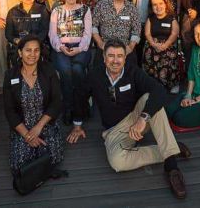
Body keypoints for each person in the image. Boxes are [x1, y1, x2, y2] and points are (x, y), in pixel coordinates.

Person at [67, 39, 190, 199]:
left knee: (151, 98)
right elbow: (80, 95)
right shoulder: (95, 75)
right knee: (118, 162)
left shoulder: (133, 71)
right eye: (111, 56)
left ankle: (172, 166)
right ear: (104, 58)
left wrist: (142, 119)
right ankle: (171, 149)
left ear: (125, 58)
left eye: (120, 56)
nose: (115, 60)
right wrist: (77, 125)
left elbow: (159, 91)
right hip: (114, 130)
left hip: (136, 119)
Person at [3, 35, 65, 179]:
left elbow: (56, 102)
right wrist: (27, 135)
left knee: (54, 157)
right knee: (18, 165)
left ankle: (38, 165)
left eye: (36, 50)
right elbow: (9, 111)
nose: (32, 54)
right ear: (20, 52)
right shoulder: (10, 75)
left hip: (46, 125)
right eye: (28, 50)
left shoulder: (49, 71)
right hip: (22, 128)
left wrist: (38, 128)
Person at [49, 0, 92, 125]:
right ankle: (68, 109)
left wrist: (79, 48)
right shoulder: (57, 10)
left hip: (81, 47)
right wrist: (61, 47)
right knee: (66, 72)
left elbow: (88, 33)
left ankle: (80, 107)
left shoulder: (85, 10)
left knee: (78, 69)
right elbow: (52, 34)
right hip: (61, 48)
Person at [92, 0, 140, 67]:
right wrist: (100, 43)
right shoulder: (101, 5)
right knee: (98, 72)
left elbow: (136, 31)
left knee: (131, 71)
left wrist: (130, 47)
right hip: (105, 46)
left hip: (125, 47)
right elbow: (93, 26)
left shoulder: (132, 8)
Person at [143, 0, 181, 93]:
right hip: (152, 46)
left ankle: (172, 85)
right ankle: (153, 87)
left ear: (165, 4)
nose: (158, 7)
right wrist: (154, 44)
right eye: (155, 4)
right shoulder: (150, 19)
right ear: (151, 6)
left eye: (160, 3)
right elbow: (147, 34)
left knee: (168, 61)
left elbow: (174, 34)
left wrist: (165, 45)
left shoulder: (172, 19)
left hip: (168, 46)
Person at [6, 0, 50, 64]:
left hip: (38, 46)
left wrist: (33, 44)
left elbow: (44, 31)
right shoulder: (12, 12)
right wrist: (18, 41)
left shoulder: (42, 10)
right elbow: (8, 34)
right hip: (19, 47)